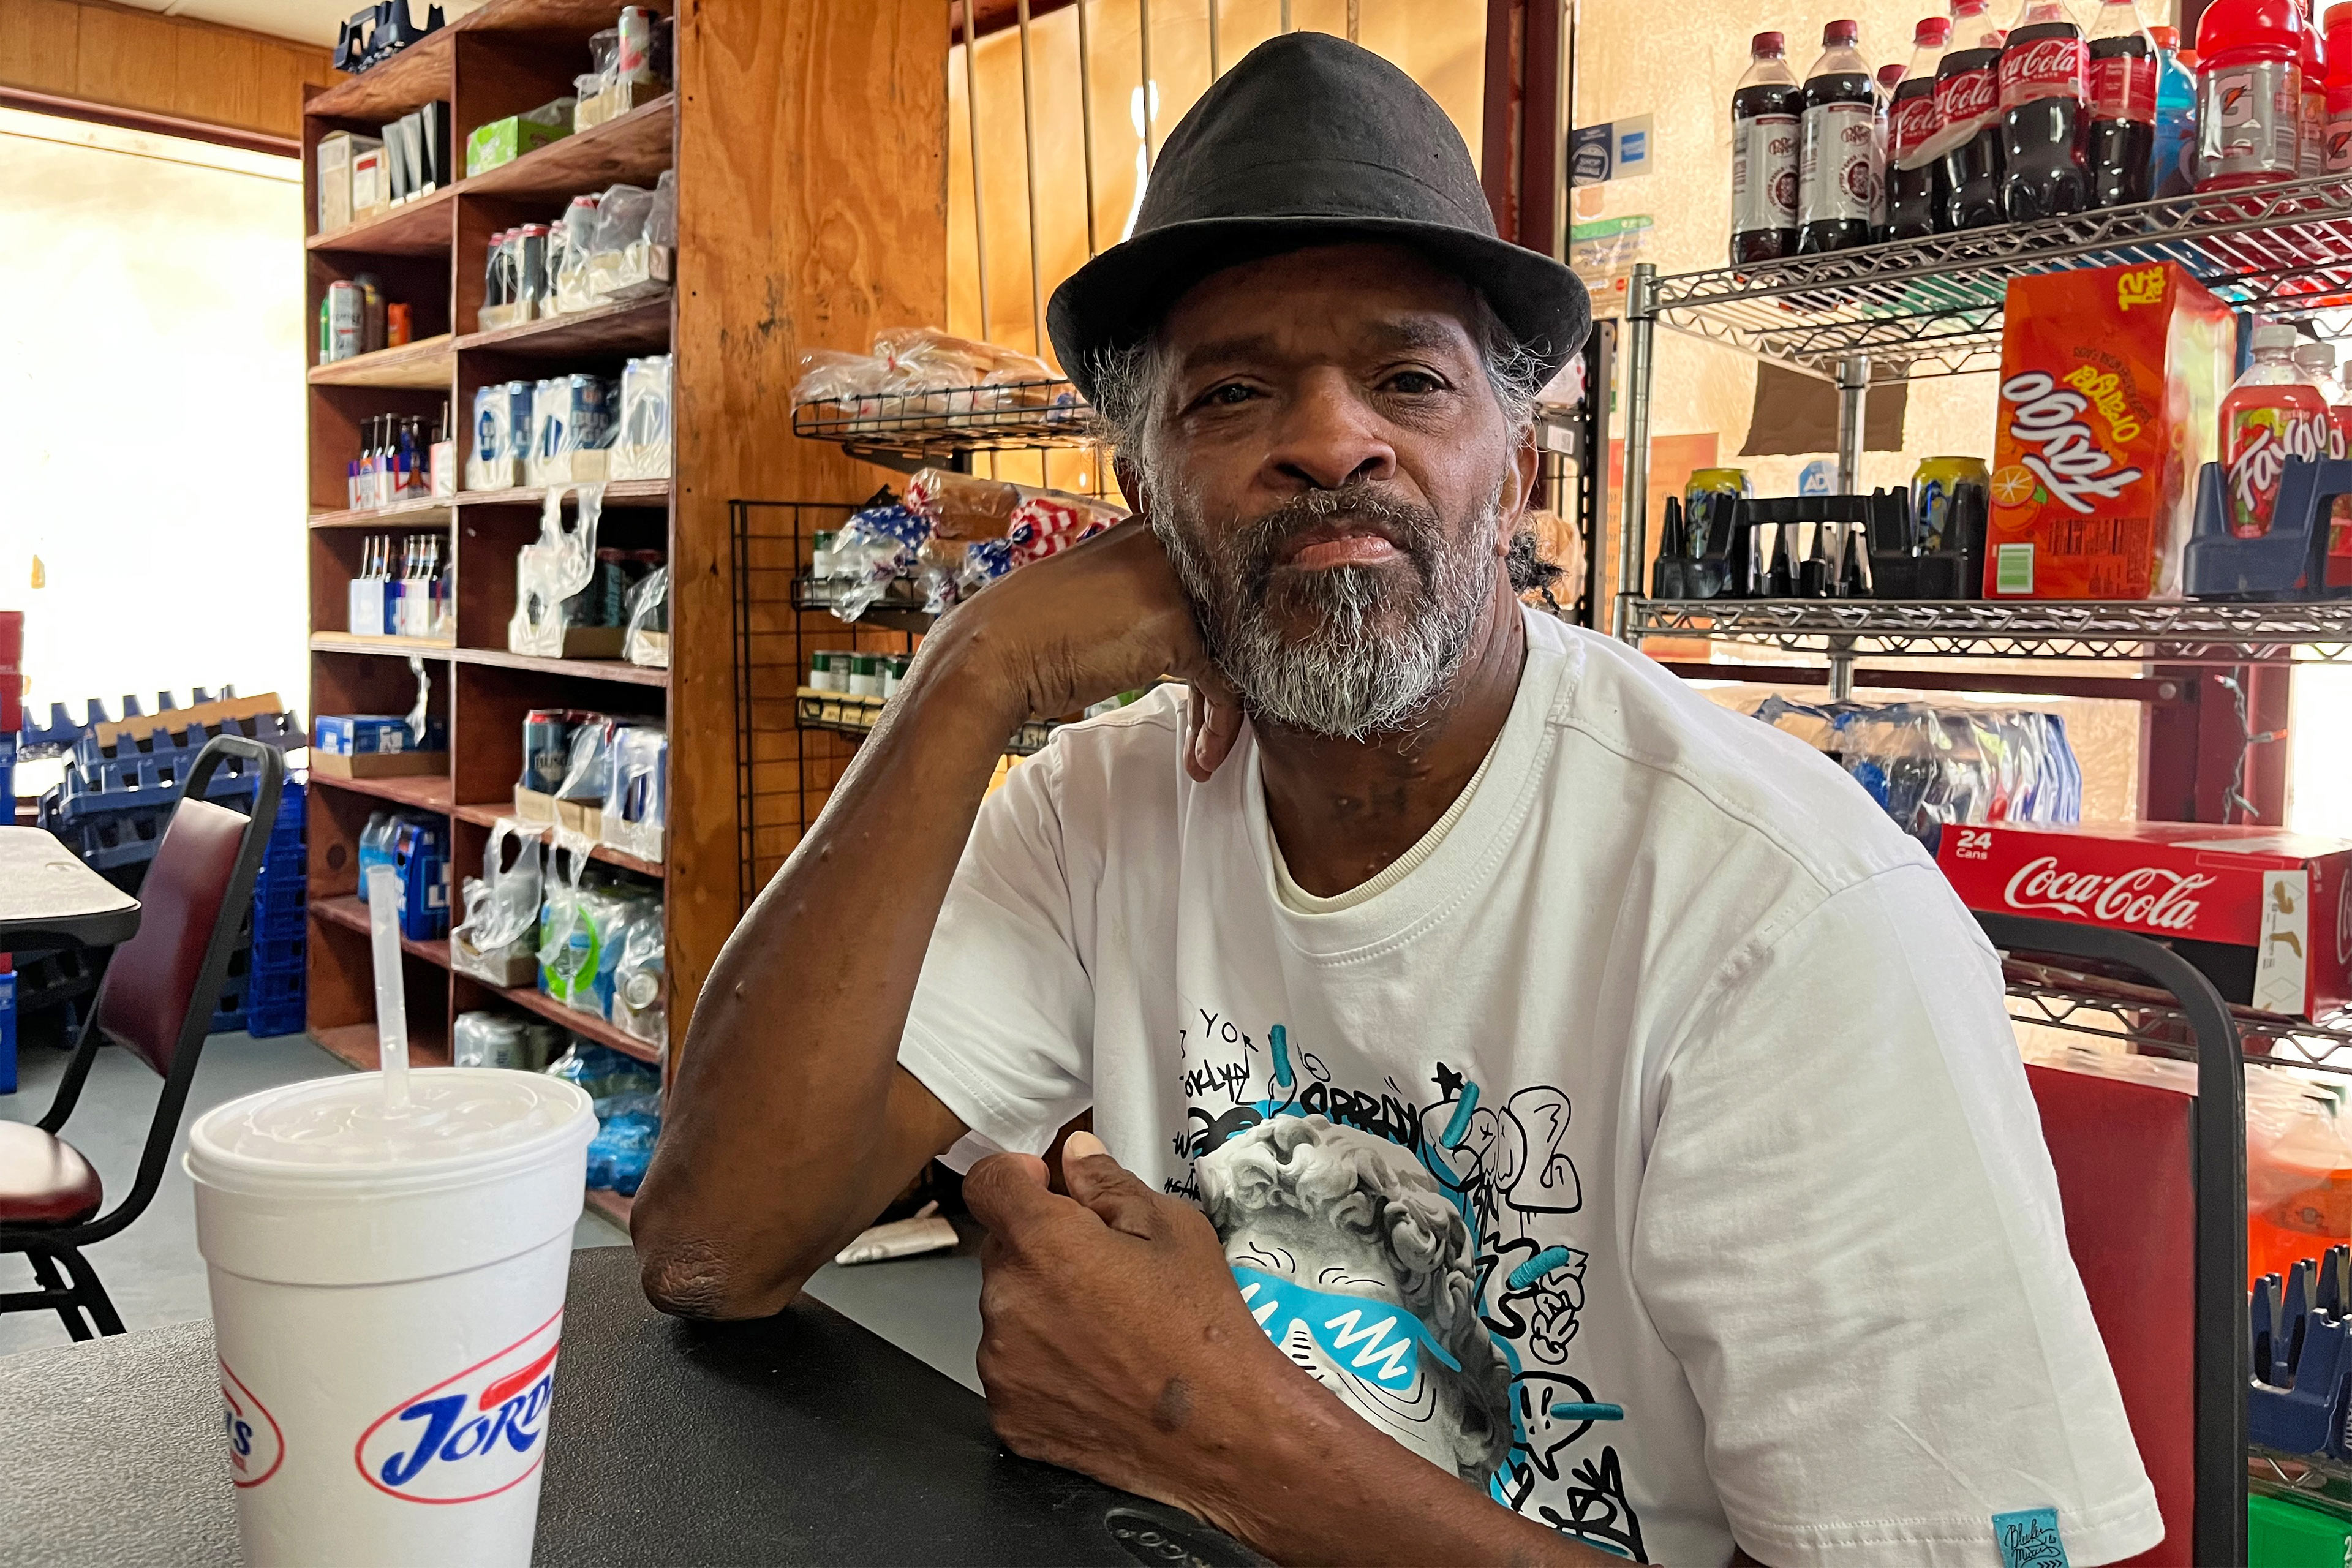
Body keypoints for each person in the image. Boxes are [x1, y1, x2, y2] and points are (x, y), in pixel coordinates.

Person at [633, 32, 2163, 1568]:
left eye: (1408, 379)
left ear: (1514, 467)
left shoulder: (1778, 911)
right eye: (1230, 394)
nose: (1328, 437)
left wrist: (1227, 1439)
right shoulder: (1093, 812)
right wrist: (969, 676)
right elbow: (711, 1248)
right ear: (1141, 497)